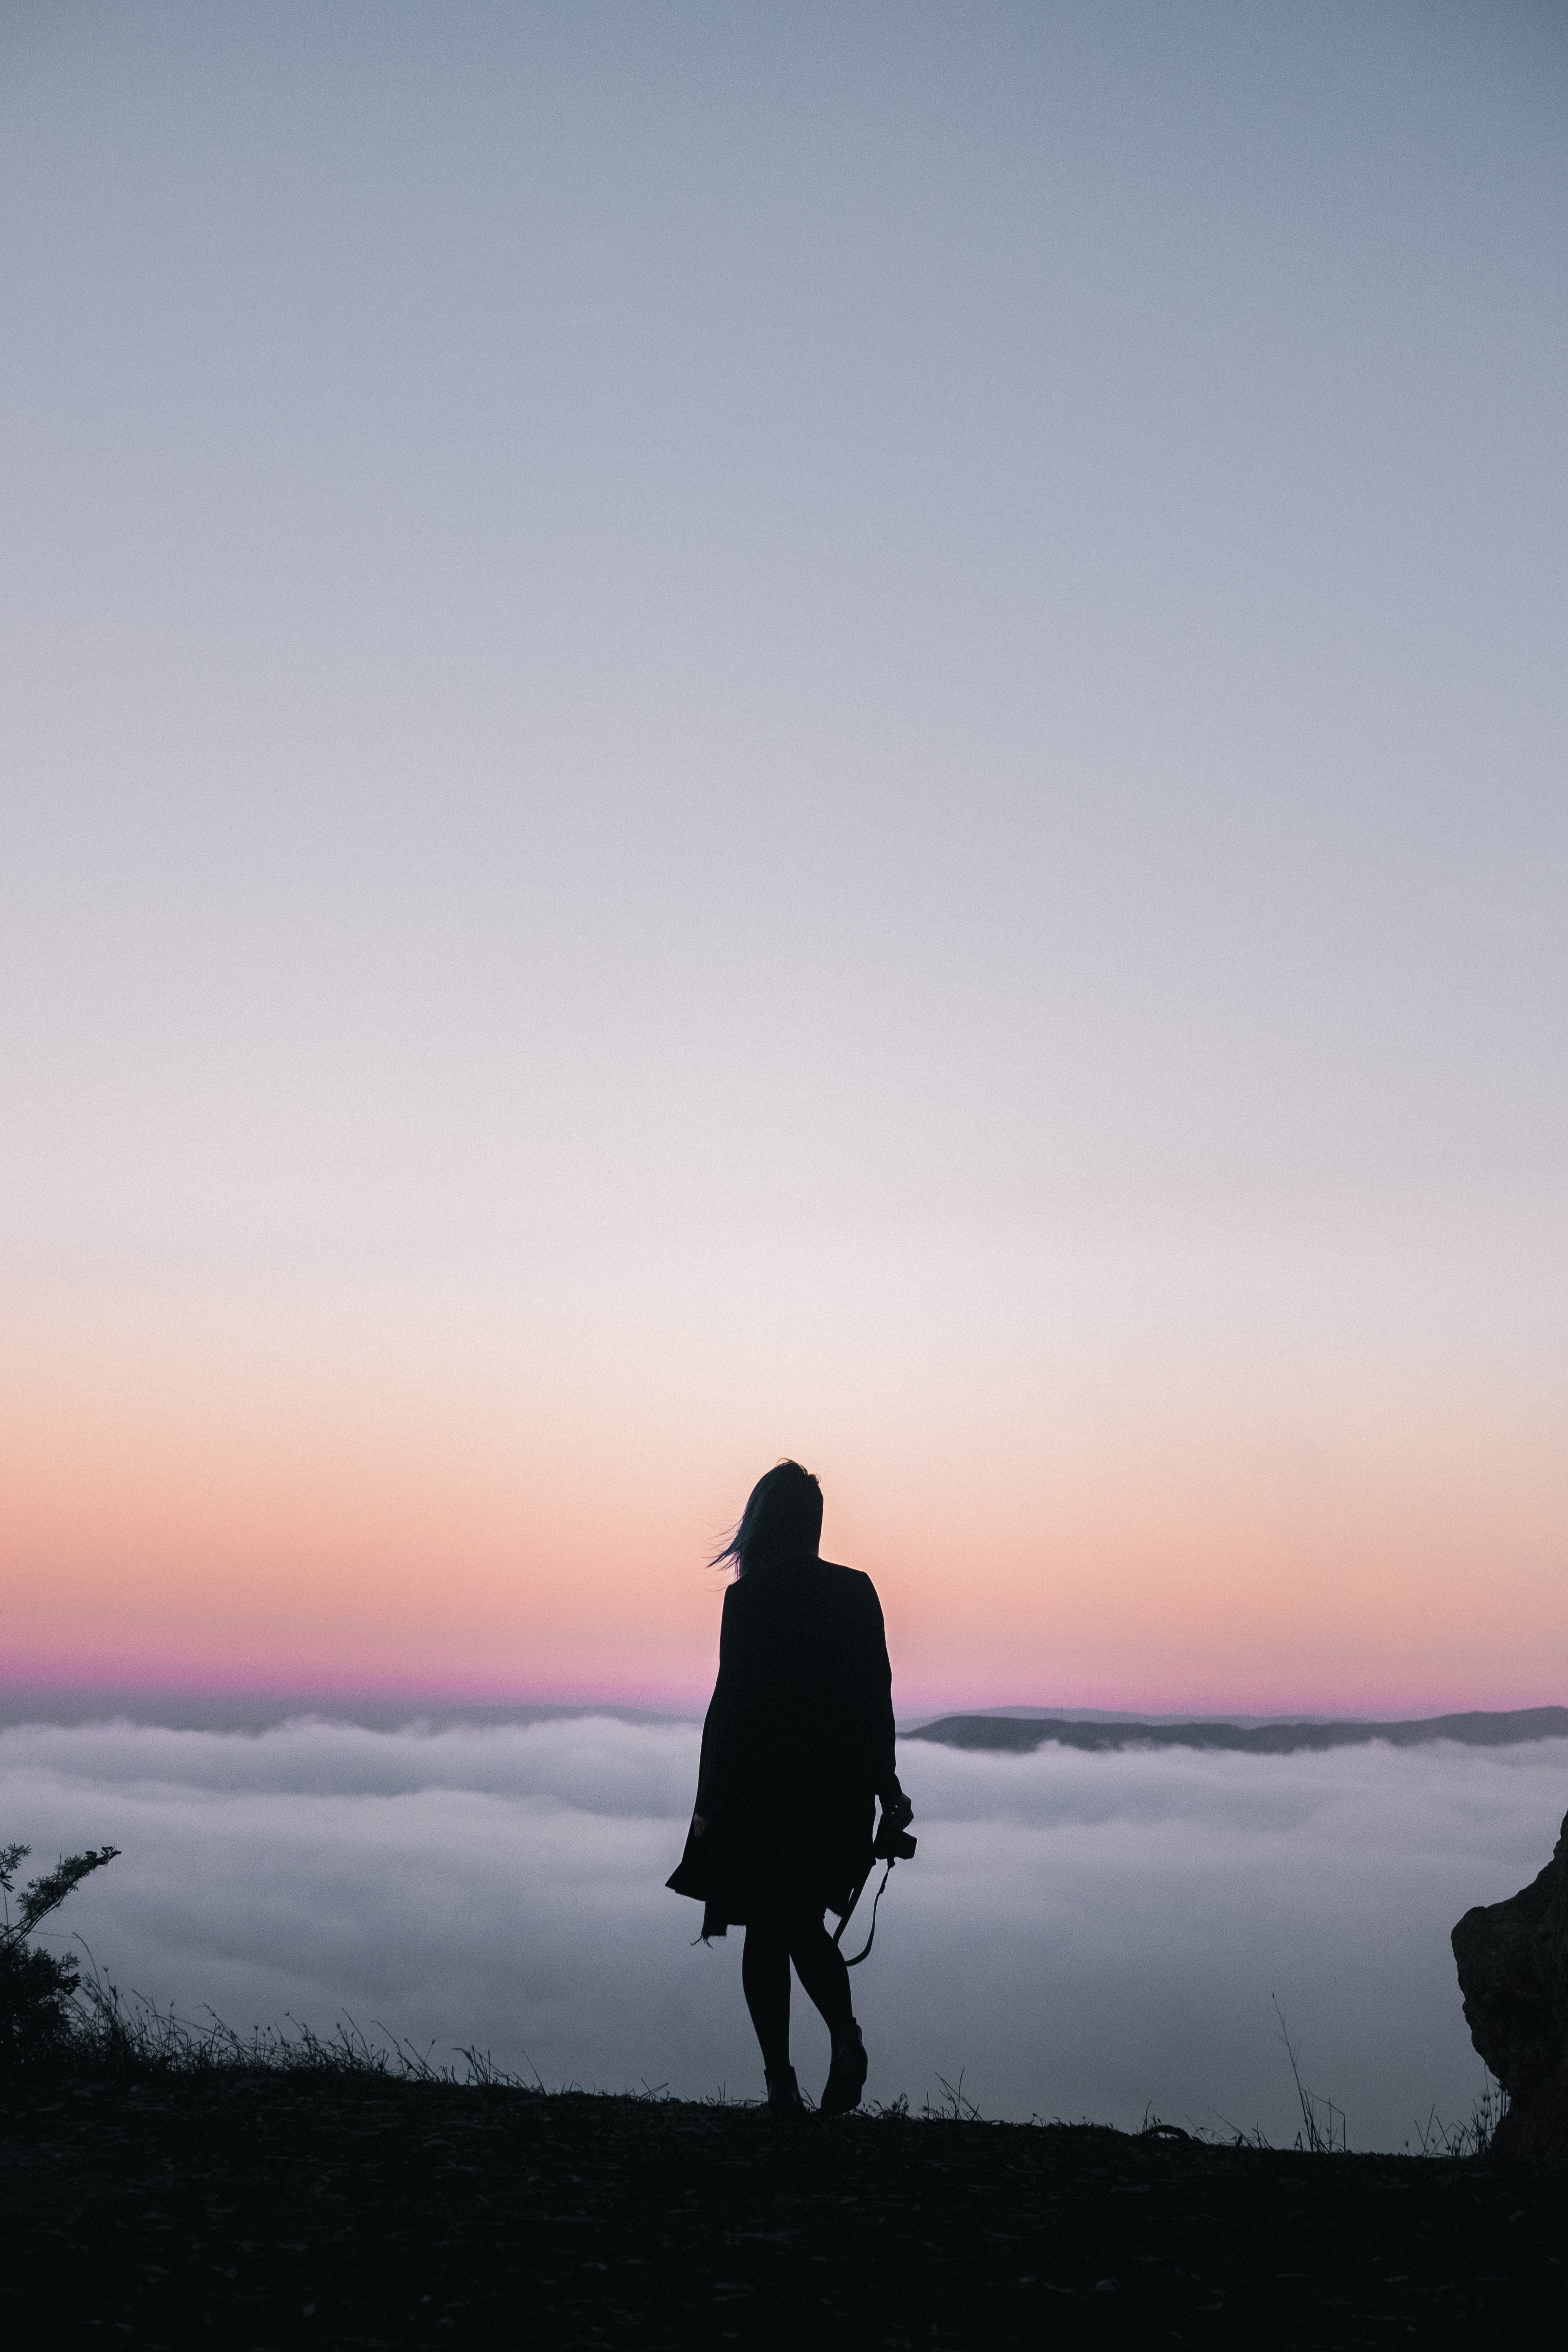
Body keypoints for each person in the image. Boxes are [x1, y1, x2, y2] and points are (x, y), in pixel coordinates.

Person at [667, 1461, 913, 2116]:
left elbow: (733, 1706)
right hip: (838, 1792)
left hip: (762, 1788)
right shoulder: (857, 1590)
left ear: (762, 1525)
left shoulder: (747, 1601)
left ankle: (781, 2083)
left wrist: (707, 1810)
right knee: (798, 1918)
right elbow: (875, 1697)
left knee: (768, 1930)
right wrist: (887, 1786)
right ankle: (844, 2035)